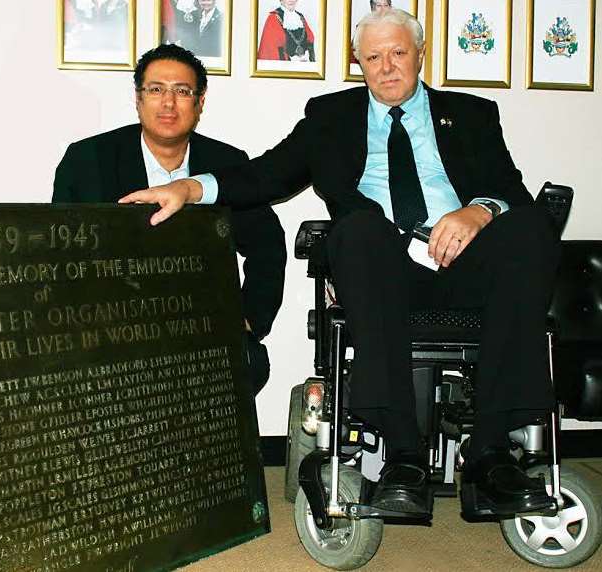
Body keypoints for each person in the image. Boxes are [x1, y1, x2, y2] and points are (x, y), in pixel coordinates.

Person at [120, 9, 559, 519]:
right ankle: (403, 457)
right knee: (358, 228)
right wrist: (190, 187)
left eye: (398, 53)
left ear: (420, 55)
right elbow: (264, 175)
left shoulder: (472, 114)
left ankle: (489, 454)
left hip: (464, 267)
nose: (388, 67)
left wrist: (477, 211)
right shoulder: (330, 118)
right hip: (380, 271)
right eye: (374, 57)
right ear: (359, 63)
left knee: (532, 229)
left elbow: (513, 194)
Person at [53, 44, 286, 396]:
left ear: (200, 102)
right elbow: (59, 252)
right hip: (110, 326)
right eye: (156, 89)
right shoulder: (88, 160)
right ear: (138, 98)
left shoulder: (227, 164)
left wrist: (249, 320)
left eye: (182, 91)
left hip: (201, 325)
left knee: (249, 362)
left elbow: (267, 244)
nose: (168, 102)